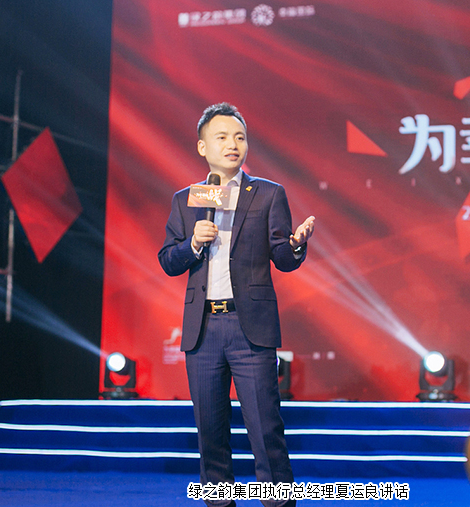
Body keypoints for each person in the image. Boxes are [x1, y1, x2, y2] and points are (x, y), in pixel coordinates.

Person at [158, 102, 314, 507]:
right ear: (202, 147)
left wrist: (296, 245)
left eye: (240, 137)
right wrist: (193, 244)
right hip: (203, 331)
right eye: (223, 137)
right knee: (210, 435)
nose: (233, 144)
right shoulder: (187, 200)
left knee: (266, 431)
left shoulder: (268, 194)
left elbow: (282, 256)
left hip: (250, 329)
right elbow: (168, 260)